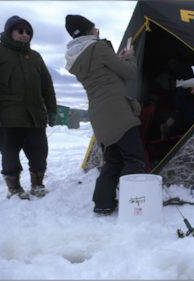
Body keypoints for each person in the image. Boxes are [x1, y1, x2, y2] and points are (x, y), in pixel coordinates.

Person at [64, 15, 146, 216]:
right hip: (117, 111)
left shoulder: (76, 58)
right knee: (134, 159)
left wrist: (113, 61)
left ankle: (103, 203)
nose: (97, 33)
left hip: (99, 115)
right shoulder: (98, 48)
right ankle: (132, 204)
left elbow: (100, 75)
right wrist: (129, 56)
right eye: (95, 30)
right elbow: (129, 73)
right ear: (89, 31)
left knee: (113, 161)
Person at [0, 16, 57, 200]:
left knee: (39, 153)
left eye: (28, 32)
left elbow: (47, 86)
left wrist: (51, 110)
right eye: (20, 31)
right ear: (9, 32)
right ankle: (14, 187)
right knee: (10, 154)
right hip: (8, 116)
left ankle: (37, 184)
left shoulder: (35, 56)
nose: (25, 35)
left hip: (35, 116)